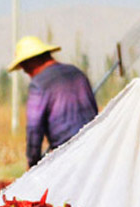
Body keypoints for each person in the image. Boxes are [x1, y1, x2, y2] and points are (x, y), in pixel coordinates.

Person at [8, 36, 99, 168]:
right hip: (95, 149)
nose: (26, 71)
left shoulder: (39, 84)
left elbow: (34, 127)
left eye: (25, 66)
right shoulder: (77, 74)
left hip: (67, 156)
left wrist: (33, 163)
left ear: (32, 61)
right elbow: (94, 111)